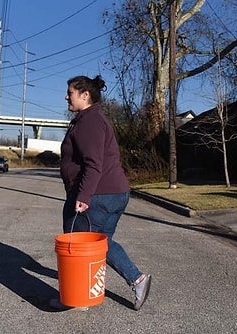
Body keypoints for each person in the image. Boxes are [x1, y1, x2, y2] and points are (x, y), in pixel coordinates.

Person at [59, 75, 152, 311]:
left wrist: (83, 196)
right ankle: (89, 292)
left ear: (84, 95)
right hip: (113, 192)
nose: (66, 96)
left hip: (98, 195)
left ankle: (83, 296)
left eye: (70, 92)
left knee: (82, 244)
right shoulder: (92, 119)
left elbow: (93, 164)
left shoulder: (89, 122)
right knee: (102, 243)